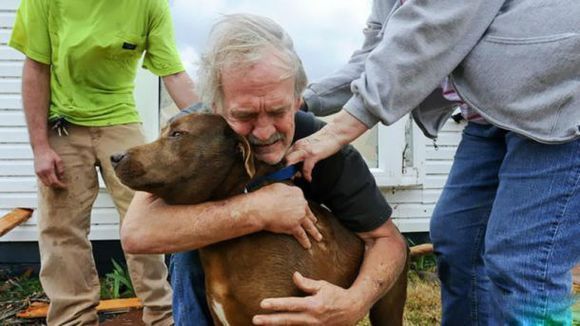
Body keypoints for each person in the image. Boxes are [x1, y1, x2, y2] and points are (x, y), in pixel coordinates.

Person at [285, 0, 580, 324]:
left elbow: (433, 26)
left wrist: (341, 128)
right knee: (459, 241)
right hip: (492, 118)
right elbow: (378, 55)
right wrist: (300, 102)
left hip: (558, 105)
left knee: (524, 262)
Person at [120, 14, 408, 325]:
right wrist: (257, 209)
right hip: (221, 263)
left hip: (300, 264)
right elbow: (137, 233)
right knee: (188, 252)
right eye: (244, 114)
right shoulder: (198, 131)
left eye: (277, 110)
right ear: (215, 107)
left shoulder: (324, 145)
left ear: (297, 101)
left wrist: (353, 303)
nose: (263, 131)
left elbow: (388, 241)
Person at [9, 0, 199, 324]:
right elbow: (35, 69)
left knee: (146, 215)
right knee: (62, 229)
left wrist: (213, 125)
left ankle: (163, 316)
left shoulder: (150, 5)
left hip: (120, 120)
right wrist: (40, 147)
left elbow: (174, 74)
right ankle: (73, 318)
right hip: (63, 123)